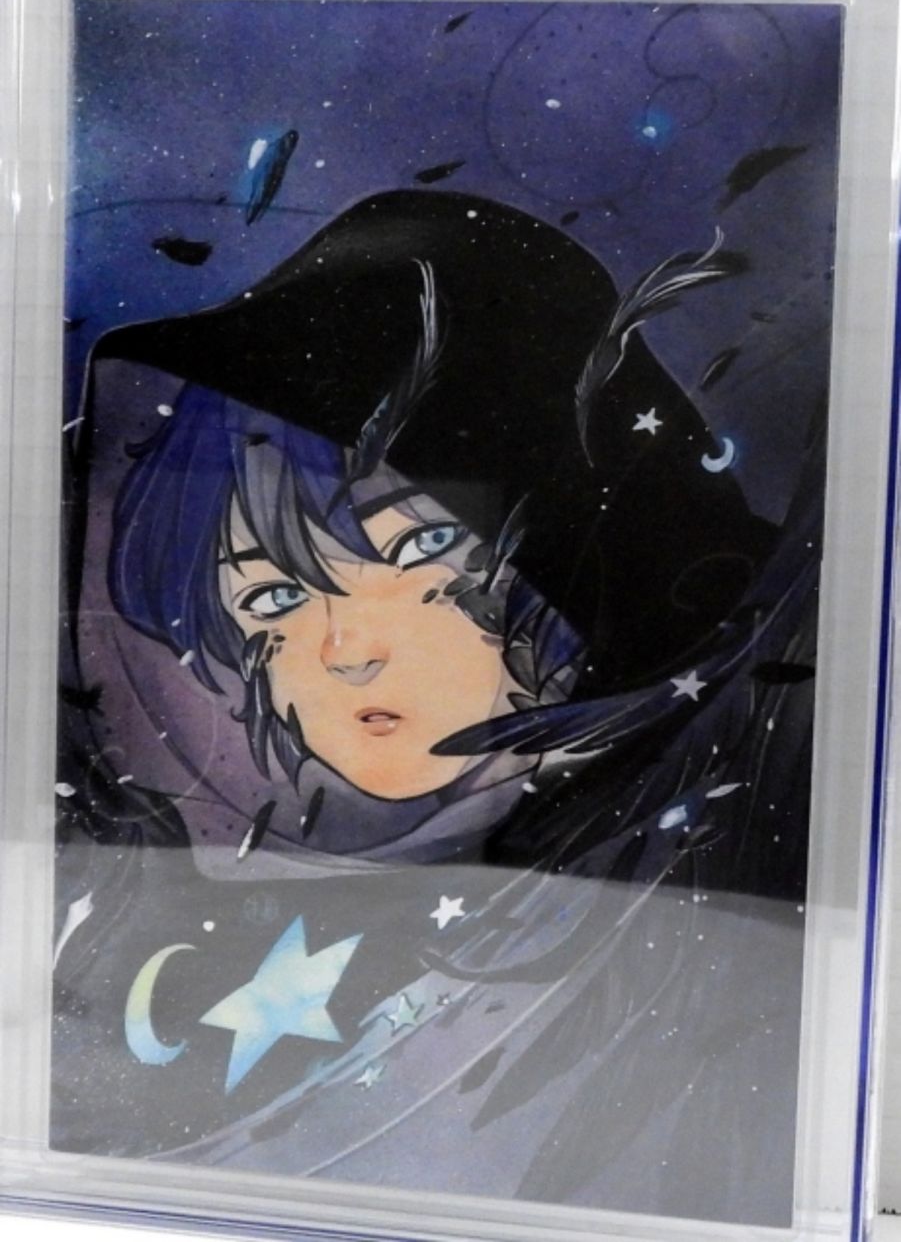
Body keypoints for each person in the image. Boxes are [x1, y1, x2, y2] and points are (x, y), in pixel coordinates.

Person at [52, 190, 817, 1221]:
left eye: (418, 552)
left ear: (562, 568)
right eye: (273, 599)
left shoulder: (694, 874)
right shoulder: (138, 891)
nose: (345, 649)